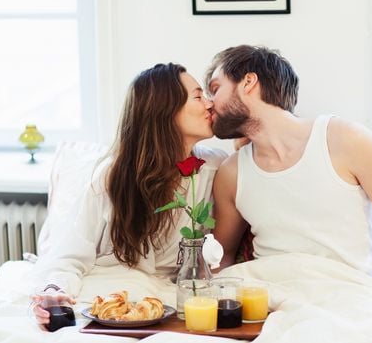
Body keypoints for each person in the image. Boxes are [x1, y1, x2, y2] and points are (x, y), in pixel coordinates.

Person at [207, 45, 372, 342]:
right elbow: (220, 258)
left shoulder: (346, 140)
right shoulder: (231, 173)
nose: (209, 103)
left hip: (343, 292)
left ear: (248, 83)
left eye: (215, 88)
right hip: (267, 289)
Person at [31, 63, 227, 329]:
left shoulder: (215, 169)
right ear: (165, 111)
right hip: (111, 292)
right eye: (198, 96)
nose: (209, 104)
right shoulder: (110, 177)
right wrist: (54, 292)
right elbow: (69, 255)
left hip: (175, 302)